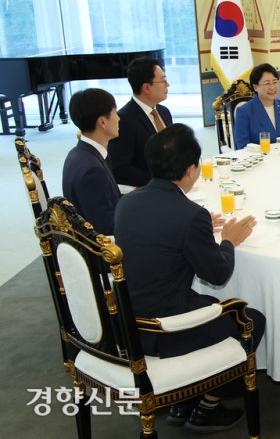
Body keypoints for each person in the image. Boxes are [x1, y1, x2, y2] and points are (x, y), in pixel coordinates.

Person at [114, 123, 264, 433]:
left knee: (208, 302)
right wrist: (228, 241)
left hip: (126, 321)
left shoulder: (127, 202)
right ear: (191, 169)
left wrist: (195, 229)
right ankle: (206, 406)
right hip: (163, 329)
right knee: (251, 319)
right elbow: (218, 274)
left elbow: (159, 236)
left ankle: (185, 398)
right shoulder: (189, 214)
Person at [61, 88, 122, 235]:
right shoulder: (93, 171)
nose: (119, 118)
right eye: (115, 112)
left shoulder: (78, 153)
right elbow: (106, 227)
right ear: (102, 121)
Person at [107, 57, 173, 187]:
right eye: (163, 81)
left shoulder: (164, 112)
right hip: (149, 190)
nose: (168, 85)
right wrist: (159, 183)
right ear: (146, 87)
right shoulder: (123, 120)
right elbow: (120, 169)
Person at [233, 63, 280, 149]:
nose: (272, 87)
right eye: (267, 83)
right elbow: (242, 146)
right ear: (255, 87)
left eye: (275, 82)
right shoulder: (244, 111)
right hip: (259, 159)